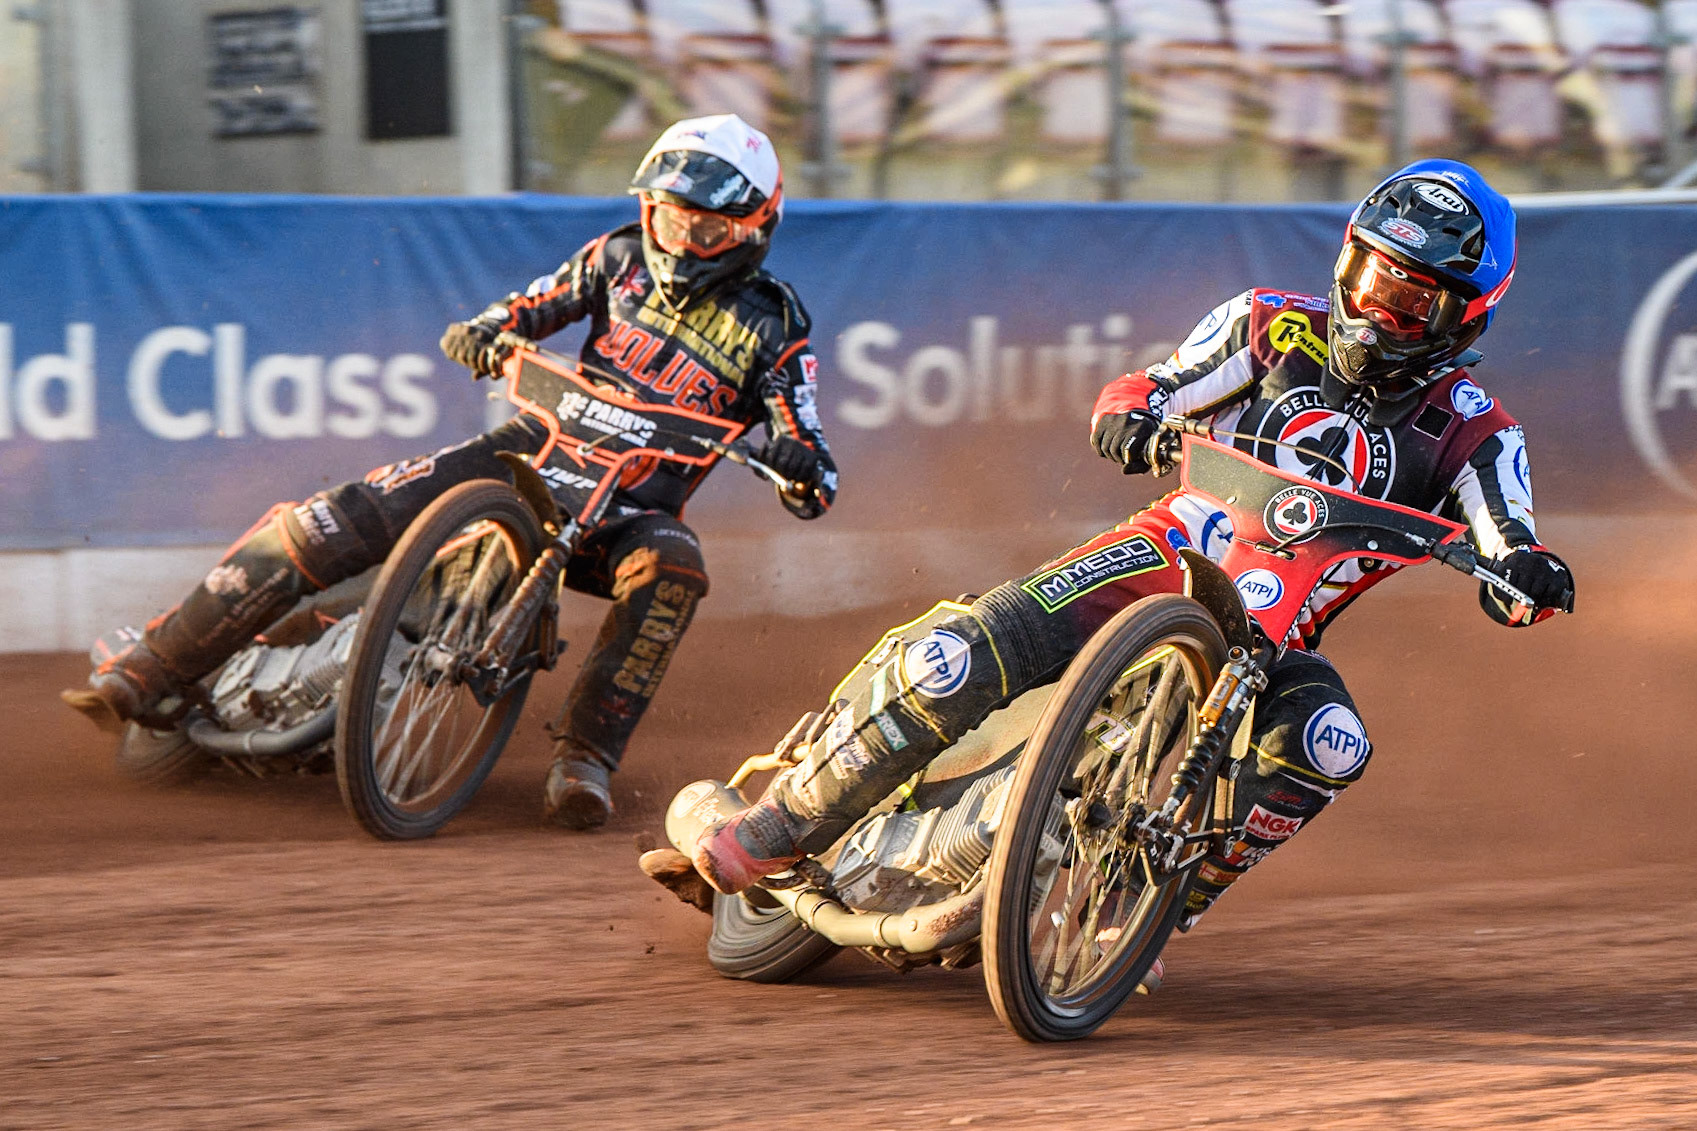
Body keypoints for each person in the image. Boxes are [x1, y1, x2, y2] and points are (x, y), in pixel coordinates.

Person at [685, 160, 1573, 933]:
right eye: (1370, 278)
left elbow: (1508, 538)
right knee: (954, 659)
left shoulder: (1474, 432)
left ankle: (1152, 906)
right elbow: (1152, 387)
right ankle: (778, 825)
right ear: (1343, 259)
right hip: (1160, 552)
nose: (1377, 314)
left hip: (1277, 640)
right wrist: (1133, 418)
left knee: (1331, 744)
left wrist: (1523, 573)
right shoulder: (1266, 323)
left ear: (1465, 317)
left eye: (1410, 300)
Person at [63, 114, 838, 831]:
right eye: (669, 216)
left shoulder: (775, 322)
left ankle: (585, 757)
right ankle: (153, 663)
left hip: (628, 510)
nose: (682, 238)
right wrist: (485, 330)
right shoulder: (616, 259)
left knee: (676, 563)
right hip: (526, 453)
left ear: (752, 226)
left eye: (704, 225)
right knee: (331, 518)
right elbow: (527, 308)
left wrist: (796, 461)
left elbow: (812, 462)